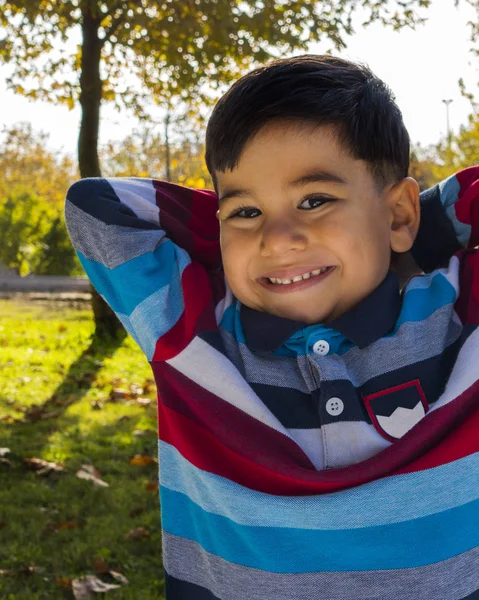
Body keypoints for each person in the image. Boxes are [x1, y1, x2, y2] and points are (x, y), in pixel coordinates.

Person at [64, 55, 479, 600]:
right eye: (246, 212)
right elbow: (94, 207)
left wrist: (409, 234)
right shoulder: (191, 333)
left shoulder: (458, 313)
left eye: (314, 200)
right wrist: (241, 250)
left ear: (399, 214)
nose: (278, 239)